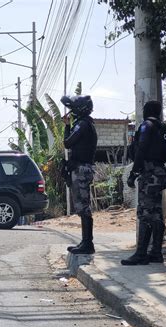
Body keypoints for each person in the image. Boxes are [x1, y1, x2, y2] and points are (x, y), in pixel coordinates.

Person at [122, 101, 166, 265]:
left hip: (149, 173)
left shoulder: (146, 126)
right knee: (156, 213)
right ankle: (156, 253)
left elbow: (141, 149)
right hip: (161, 172)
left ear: (146, 111)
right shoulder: (165, 128)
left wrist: (133, 173)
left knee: (144, 214)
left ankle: (141, 254)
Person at [61, 95, 98, 254]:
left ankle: (88, 244)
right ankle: (85, 241)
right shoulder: (86, 124)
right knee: (82, 206)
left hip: (82, 169)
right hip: (82, 168)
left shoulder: (83, 125)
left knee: (83, 207)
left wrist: (67, 126)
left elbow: (67, 143)